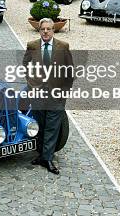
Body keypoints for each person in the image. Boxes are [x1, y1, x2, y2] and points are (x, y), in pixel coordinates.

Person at [22, 18, 74, 175]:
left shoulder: (63, 47)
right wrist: (31, 82)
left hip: (56, 95)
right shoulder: (32, 46)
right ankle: (41, 155)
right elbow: (25, 65)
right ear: (39, 31)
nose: (45, 32)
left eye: (49, 29)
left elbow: (69, 72)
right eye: (42, 29)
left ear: (53, 30)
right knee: (40, 125)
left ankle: (48, 159)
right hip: (37, 94)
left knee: (52, 126)